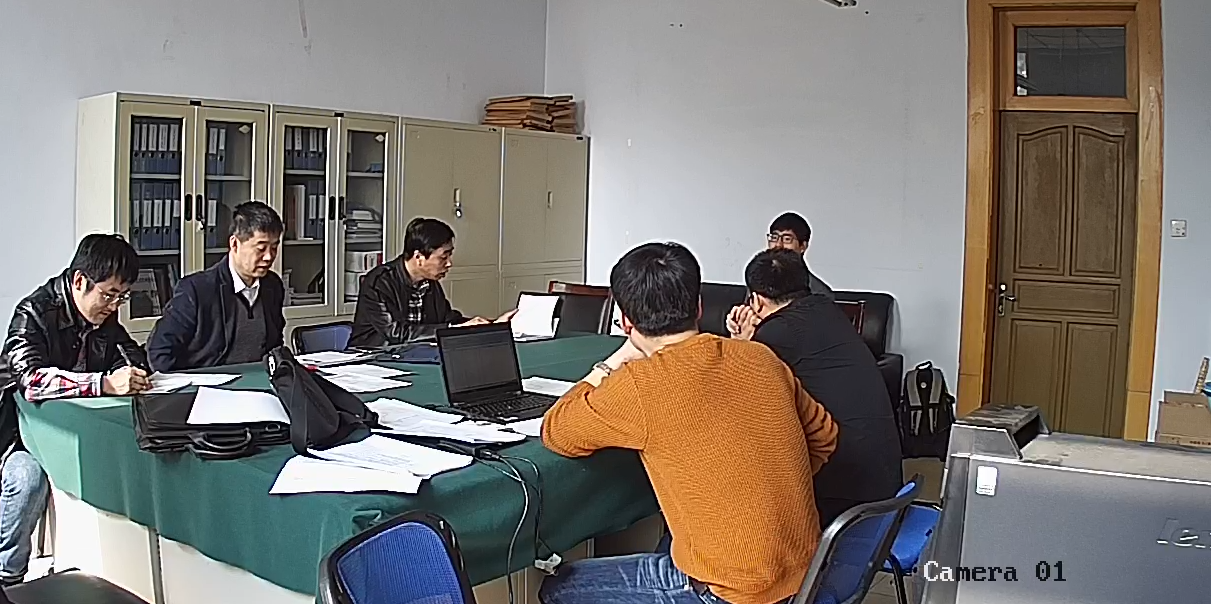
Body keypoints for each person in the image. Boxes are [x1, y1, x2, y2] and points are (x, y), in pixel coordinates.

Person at [539, 242, 838, 604]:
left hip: (726, 591)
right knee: (670, 540)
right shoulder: (760, 357)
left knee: (559, 587)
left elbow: (556, 430)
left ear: (626, 322)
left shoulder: (639, 385)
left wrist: (615, 359)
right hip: (804, 576)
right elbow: (824, 436)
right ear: (699, 305)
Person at [0, 234, 149, 585]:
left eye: (122, 296)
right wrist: (104, 383)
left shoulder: (103, 316)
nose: (114, 305)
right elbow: (32, 381)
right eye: (109, 295)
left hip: (73, 430)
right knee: (27, 479)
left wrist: (136, 372)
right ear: (80, 281)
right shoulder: (34, 313)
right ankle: (8, 575)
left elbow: (130, 354)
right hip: (15, 434)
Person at [728, 248, 901, 527]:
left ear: (756, 301)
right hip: (884, 483)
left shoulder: (777, 334)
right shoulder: (828, 311)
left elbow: (732, 391)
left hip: (844, 498)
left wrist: (742, 343)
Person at [147, 201, 286, 370]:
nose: (269, 257)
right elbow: (159, 353)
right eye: (261, 248)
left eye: (274, 248)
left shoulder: (272, 286)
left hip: (259, 381)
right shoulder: (197, 290)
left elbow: (275, 347)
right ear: (234, 244)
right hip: (208, 383)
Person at [348, 217, 514, 348]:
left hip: (414, 355)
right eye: (443, 257)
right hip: (374, 358)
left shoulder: (430, 283)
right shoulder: (379, 283)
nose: (449, 263)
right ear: (419, 257)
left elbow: (447, 320)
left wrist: (491, 326)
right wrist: (453, 329)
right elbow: (395, 333)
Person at [767, 212, 834, 301]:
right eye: (774, 237)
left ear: (803, 246)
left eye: (787, 239)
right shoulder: (756, 282)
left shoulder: (818, 293)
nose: (778, 244)